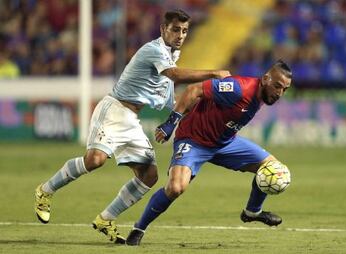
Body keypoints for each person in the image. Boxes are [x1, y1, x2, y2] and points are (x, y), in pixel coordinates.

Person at [34, 9, 230, 244]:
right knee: (95, 160)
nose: (180, 35)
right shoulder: (154, 50)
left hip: (131, 121)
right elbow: (174, 75)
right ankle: (45, 190)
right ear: (163, 30)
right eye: (175, 29)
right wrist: (213, 74)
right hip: (114, 110)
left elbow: (175, 99)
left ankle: (106, 218)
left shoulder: (170, 58)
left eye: (185, 31)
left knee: (149, 175)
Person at [125, 60, 293, 246]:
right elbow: (193, 90)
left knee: (273, 168)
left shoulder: (262, 95)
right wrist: (171, 123)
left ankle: (252, 212)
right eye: (277, 86)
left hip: (224, 143)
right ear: (266, 78)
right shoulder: (239, 89)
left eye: (284, 90)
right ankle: (139, 228)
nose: (279, 93)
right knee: (175, 188)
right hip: (193, 140)